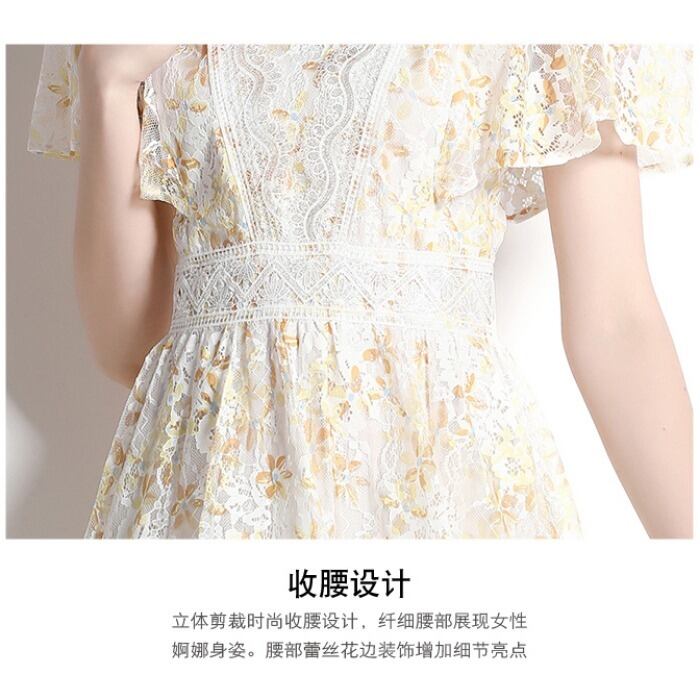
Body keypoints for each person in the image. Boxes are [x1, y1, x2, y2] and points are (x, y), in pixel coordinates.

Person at [27, 44, 693, 539]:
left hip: (439, 493)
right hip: (213, 499)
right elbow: (130, 346)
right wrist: (108, 82)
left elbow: (617, 321)